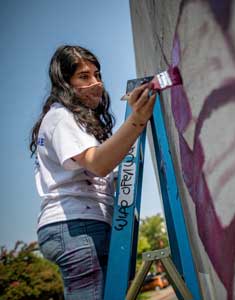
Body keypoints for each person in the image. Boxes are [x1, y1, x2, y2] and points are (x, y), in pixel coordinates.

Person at [29, 45, 155, 299]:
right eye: (84, 77)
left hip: (81, 224)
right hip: (76, 226)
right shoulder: (60, 117)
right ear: (65, 82)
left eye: (97, 75)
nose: (96, 83)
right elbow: (98, 163)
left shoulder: (79, 121)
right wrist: (137, 120)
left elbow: (103, 171)